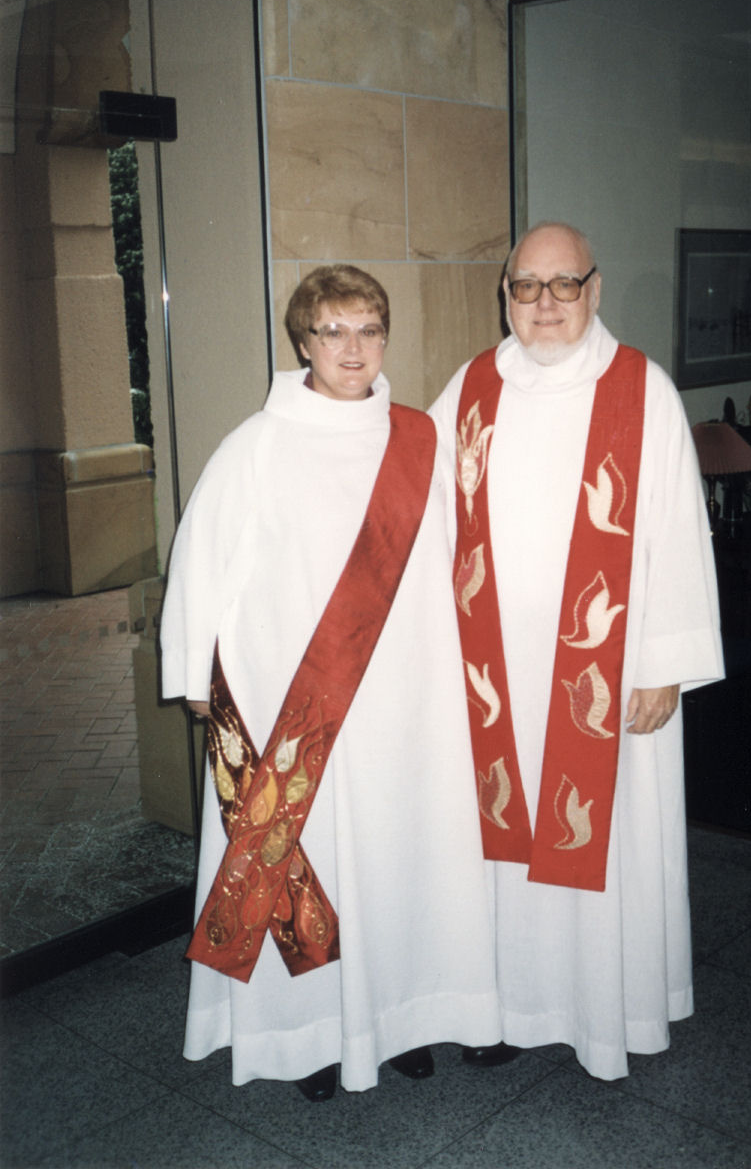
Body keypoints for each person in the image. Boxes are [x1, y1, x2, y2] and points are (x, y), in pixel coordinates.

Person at [160, 265, 500, 1101]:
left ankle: (404, 1018)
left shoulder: (418, 438)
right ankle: (307, 1035)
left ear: (386, 340)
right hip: (293, 699)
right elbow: (199, 565)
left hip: (407, 701)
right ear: (303, 341)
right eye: (334, 331)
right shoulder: (256, 446)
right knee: (307, 862)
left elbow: (459, 564)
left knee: (402, 857)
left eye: (369, 330)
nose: (354, 348)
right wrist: (195, 678)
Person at [429, 221, 723, 1081]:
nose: (546, 304)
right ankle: (506, 1007)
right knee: (501, 844)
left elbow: (677, 532)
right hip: (496, 676)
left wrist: (666, 661)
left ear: (595, 291)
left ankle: (607, 1012)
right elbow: (418, 513)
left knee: (605, 846)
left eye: (564, 285)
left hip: (610, 670)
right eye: (528, 286)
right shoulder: (472, 386)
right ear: (506, 295)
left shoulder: (642, 390)